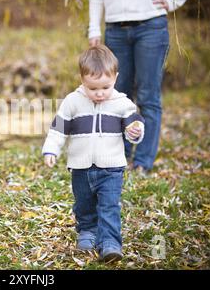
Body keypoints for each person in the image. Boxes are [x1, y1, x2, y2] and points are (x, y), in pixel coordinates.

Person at [88, 0, 199, 173]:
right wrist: (93, 28)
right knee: (117, 97)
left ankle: (142, 162)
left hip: (151, 27)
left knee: (148, 96)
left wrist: (173, 2)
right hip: (115, 30)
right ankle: (119, 157)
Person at [42, 45, 145, 262]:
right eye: (92, 88)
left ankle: (110, 242)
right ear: (82, 79)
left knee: (109, 205)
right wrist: (51, 148)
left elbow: (134, 126)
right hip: (81, 167)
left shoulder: (122, 104)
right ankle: (87, 231)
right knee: (84, 204)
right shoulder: (73, 102)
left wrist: (135, 131)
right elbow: (58, 128)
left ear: (115, 78)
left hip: (111, 168)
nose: (99, 93)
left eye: (105, 87)